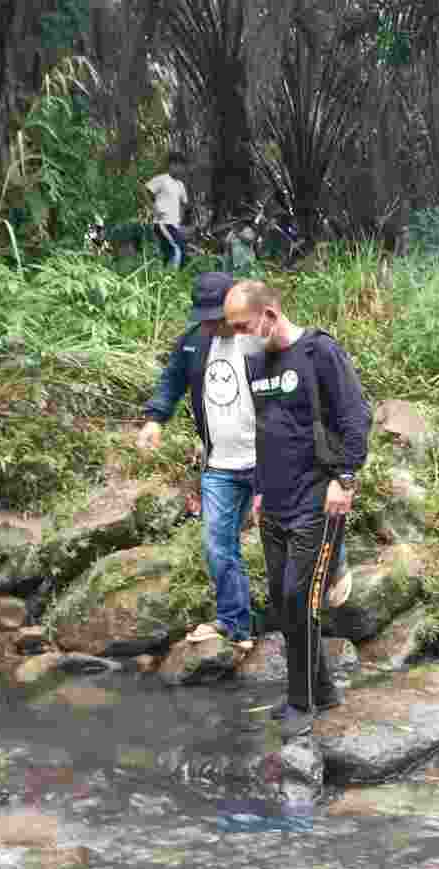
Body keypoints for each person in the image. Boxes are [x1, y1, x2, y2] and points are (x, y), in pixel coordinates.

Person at [227, 281, 369, 738]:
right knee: (282, 600)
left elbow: (355, 417)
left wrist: (344, 480)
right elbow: (264, 430)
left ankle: (300, 703)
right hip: (275, 502)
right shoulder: (254, 362)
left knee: (300, 600)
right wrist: (258, 489)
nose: (239, 337)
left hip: (318, 499)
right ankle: (323, 691)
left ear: (269, 315)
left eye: (244, 327)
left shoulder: (319, 352)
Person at [137, 272, 268, 652]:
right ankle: (235, 625)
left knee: (286, 540)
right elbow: (172, 379)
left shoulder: (257, 339)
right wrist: (155, 420)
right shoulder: (194, 341)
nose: (211, 325)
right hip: (219, 464)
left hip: (266, 461)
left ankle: (307, 609)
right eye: (205, 318)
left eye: (218, 317)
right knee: (217, 545)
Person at [145, 153, 190, 269]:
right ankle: (175, 276)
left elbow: (184, 203)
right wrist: (154, 209)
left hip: (174, 224)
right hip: (163, 223)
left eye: (183, 167)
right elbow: (144, 191)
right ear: (172, 165)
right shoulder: (162, 179)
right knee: (179, 249)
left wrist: (180, 219)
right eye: (179, 166)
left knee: (168, 252)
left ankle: (164, 276)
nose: (181, 169)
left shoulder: (180, 185)